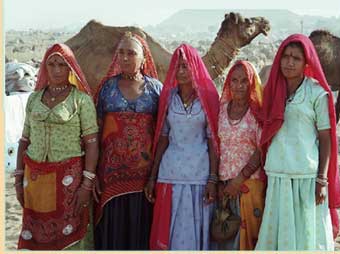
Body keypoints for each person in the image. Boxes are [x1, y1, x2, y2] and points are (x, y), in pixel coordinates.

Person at [255, 34, 340, 250]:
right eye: (285, 56)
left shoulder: (317, 93)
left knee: (307, 237)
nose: (289, 62)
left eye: (296, 58)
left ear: (306, 62)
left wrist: (322, 180)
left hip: (306, 176)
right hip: (278, 173)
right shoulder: (272, 91)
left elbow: (326, 138)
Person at [14, 43, 99, 250]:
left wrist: (86, 184)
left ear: (70, 68)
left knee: (69, 234)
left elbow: (92, 144)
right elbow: (24, 140)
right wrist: (18, 179)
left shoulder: (81, 101)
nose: (57, 69)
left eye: (62, 64)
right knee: (36, 233)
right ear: (45, 67)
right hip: (34, 179)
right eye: (52, 64)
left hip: (68, 181)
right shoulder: (34, 99)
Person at [145, 44, 219, 250]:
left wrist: (213, 178)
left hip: (200, 175)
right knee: (170, 233)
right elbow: (163, 137)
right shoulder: (168, 98)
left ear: (195, 67)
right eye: (177, 67)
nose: (181, 72)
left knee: (197, 232)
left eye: (186, 66)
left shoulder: (209, 99)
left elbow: (213, 140)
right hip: (170, 174)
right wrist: (152, 176)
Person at [94, 32, 162, 250]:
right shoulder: (106, 89)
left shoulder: (156, 90)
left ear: (143, 59)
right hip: (110, 177)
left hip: (145, 179)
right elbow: (95, 132)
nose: (124, 57)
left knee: (141, 229)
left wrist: (155, 175)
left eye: (131, 53)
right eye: (121, 52)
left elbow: (163, 133)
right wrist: (93, 173)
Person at [216, 60, 265, 250]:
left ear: (252, 83)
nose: (238, 86)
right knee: (225, 239)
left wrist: (239, 180)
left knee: (249, 242)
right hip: (225, 189)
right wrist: (218, 181)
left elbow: (262, 150)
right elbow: (216, 145)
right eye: (234, 80)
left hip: (249, 186)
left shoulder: (257, 114)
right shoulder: (220, 111)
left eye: (244, 81)